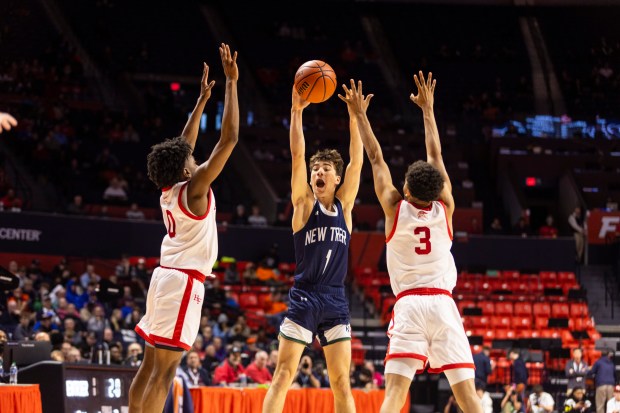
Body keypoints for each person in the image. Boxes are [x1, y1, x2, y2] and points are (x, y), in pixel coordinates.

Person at [346, 72, 481, 413]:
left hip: (409, 306)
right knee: (468, 399)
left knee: (394, 395)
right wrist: (428, 110)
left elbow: (376, 158)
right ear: (437, 192)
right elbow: (435, 156)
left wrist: (360, 114)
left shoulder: (394, 208)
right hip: (442, 305)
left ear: (405, 189)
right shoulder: (446, 207)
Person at [128, 43, 239, 413]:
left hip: (164, 279)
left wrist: (202, 101)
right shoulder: (195, 188)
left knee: (148, 366)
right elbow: (230, 140)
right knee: (166, 371)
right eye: (192, 159)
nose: (193, 156)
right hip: (184, 283)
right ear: (188, 169)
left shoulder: (169, 188)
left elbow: (181, 145)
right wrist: (232, 83)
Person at [261, 81, 365, 413]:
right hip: (305, 294)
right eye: (315, 170)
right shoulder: (305, 207)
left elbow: (357, 162)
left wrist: (355, 116)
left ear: (337, 179)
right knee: (282, 375)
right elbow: (297, 155)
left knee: (341, 383)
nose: (317, 171)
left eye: (325, 169)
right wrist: (295, 112)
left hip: (335, 297)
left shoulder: (345, 208)